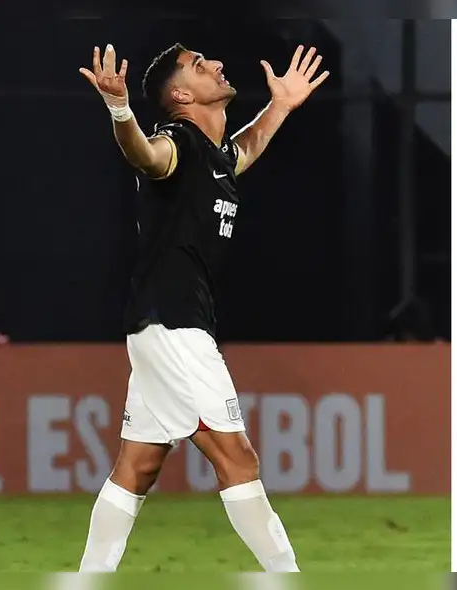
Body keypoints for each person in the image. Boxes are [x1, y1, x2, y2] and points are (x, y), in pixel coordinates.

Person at [75, 42, 329, 573]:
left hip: (162, 324)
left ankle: (87, 581)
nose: (216, 63)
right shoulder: (178, 145)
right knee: (237, 458)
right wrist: (120, 110)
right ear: (182, 94)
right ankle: (289, 578)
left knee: (137, 467)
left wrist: (279, 106)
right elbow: (146, 155)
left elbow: (243, 151)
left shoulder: (214, 157)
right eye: (198, 65)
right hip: (175, 326)